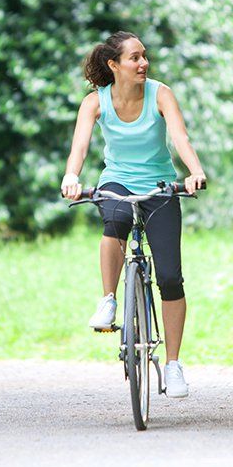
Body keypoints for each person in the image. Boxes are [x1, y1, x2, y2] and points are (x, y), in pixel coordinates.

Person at [61, 30, 207, 399]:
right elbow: (80, 146)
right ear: (114, 65)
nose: (143, 63)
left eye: (145, 56)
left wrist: (194, 171)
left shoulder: (160, 93)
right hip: (117, 182)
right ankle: (108, 299)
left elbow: (179, 137)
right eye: (135, 58)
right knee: (113, 223)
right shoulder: (95, 103)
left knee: (171, 277)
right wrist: (72, 177)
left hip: (159, 186)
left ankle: (173, 365)